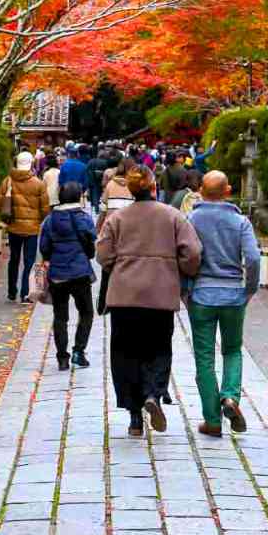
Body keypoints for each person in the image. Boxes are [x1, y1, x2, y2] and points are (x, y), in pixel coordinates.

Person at [96, 164, 200, 438]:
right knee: (158, 347)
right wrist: (179, 270)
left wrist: (119, 265)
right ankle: (152, 393)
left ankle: (134, 416)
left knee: (125, 352)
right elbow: (192, 252)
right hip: (160, 294)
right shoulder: (173, 217)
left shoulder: (117, 219)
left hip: (124, 295)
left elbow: (103, 254)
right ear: (154, 187)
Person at [185, 170, 260, 436]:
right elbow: (252, 258)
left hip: (202, 294)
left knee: (204, 358)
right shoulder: (240, 221)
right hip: (232, 295)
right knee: (232, 350)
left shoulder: (191, 219)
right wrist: (249, 289)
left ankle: (212, 421)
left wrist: (187, 291)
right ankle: (230, 396)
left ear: (201, 192)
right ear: (228, 190)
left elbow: (183, 255)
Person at [38, 179, 97, 369]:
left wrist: (49, 257)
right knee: (86, 311)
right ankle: (79, 350)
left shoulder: (50, 219)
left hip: (57, 274)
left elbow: (44, 246)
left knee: (60, 316)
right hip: (80, 273)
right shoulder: (83, 218)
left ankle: (62, 357)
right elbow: (90, 242)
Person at [1, 150, 50, 302]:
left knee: (13, 259)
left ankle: (11, 291)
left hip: (14, 227)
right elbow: (45, 208)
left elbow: (0, 203)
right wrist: (38, 220)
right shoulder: (38, 184)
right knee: (29, 261)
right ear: (31, 164)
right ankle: (25, 293)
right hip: (32, 229)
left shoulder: (7, 181)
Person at [97, 153, 134, 228]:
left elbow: (103, 209)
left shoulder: (111, 184)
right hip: (129, 226)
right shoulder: (135, 186)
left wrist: (98, 227)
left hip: (112, 225)